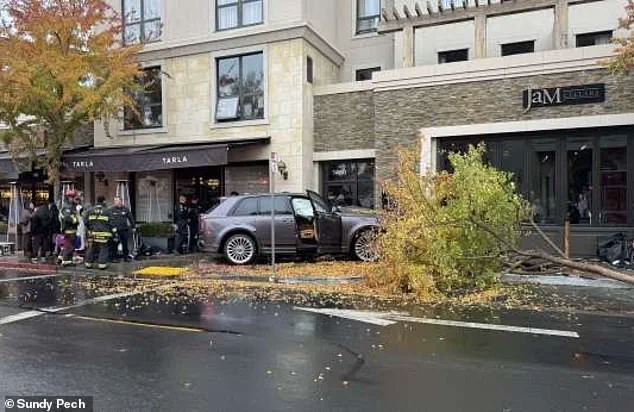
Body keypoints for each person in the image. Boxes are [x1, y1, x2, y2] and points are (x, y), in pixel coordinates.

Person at [84, 196, 117, 270]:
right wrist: (115, 233)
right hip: (104, 234)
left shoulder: (90, 210)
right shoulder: (107, 211)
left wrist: (89, 229)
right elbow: (112, 223)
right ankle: (102, 264)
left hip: (93, 233)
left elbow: (85, 221)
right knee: (103, 248)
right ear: (104, 201)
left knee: (92, 248)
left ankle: (88, 263)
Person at [110, 196, 135, 262]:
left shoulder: (125, 209)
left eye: (117, 200)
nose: (115, 202)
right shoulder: (111, 209)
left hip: (124, 230)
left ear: (121, 201)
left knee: (125, 244)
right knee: (114, 244)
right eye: (114, 201)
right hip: (115, 230)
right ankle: (114, 258)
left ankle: (126, 258)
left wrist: (133, 227)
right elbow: (109, 220)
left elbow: (130, 218)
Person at [59, 190, 80, 266]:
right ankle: (66, 261)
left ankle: (62, 258)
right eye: (74, 197)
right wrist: (75, 220)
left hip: (71, 229)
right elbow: (67, 217)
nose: (75, 199)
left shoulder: (71, 206)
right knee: (69, 246)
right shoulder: (67, 206)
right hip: (69, 229)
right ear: (70, 197)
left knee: (68, 244)